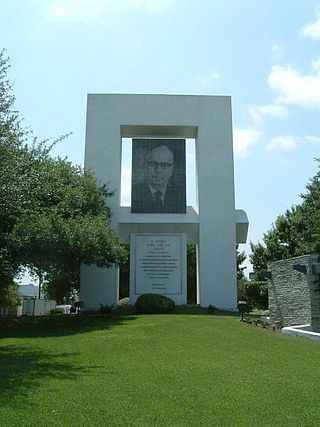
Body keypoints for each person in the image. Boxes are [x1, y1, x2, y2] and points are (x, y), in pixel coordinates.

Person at [131, 144, 186, 213]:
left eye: (164, 165)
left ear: (171, 170)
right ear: (146, 167)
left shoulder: (180, 197)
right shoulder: (134, 194)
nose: (158, 170)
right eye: (153, 164)